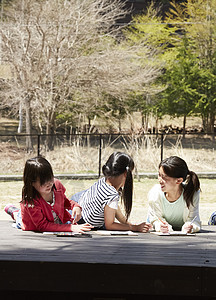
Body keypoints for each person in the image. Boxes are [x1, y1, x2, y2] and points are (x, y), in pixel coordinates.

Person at [5, 156, 93, 233]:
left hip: (54, 221)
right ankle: (13, 211)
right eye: (43, 182)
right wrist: (70, 227)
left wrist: (76, 206)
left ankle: (16, 211)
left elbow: (64, 201)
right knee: (19, 217)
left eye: (50, 178)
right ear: (31, 182)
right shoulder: (30, 200)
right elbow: (42, 226)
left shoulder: (56, 185)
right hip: (31, 222)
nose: (49, 184)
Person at [71, 151, 152, 233]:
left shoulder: (104, 181)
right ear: (126, 174)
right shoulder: (111, 194)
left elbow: (114, 209)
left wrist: (128, 224)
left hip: (78, 206)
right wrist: (134, 228)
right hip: (81, 221)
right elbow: (110, 225)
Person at [147, 156, 201, 233]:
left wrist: (190, 227)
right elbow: (155, 219)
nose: (160, 180)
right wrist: (160, 226)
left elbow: (194, 219)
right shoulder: (155, 193)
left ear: (179, 180)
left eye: (164, 177)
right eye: (159, 175)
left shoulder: (192, 193)